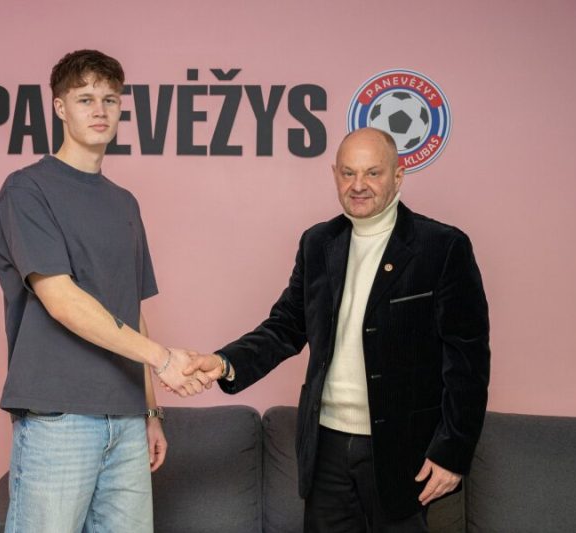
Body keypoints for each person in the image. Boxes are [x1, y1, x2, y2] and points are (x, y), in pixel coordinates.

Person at [188, 127, 490, 532]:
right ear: (335, 175)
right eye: (348, 173)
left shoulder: (443, 247)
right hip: (326, 448)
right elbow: (286, 325)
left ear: (398, 175)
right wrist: (225, 363)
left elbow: (468, 360)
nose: (358, 185)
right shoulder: (317, 242)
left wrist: (453, 451)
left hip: (404, 452)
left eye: (372, 173)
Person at [0, 49, 208, 533]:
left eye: (110, 100)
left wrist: (149, 411)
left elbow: (133, 310)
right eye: (85, 99)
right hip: (58, 416)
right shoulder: (26, 190)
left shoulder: (125, 204)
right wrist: (162, 358)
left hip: (126, 421)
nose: (99, 110)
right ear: (60, 107)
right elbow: (62, 301)